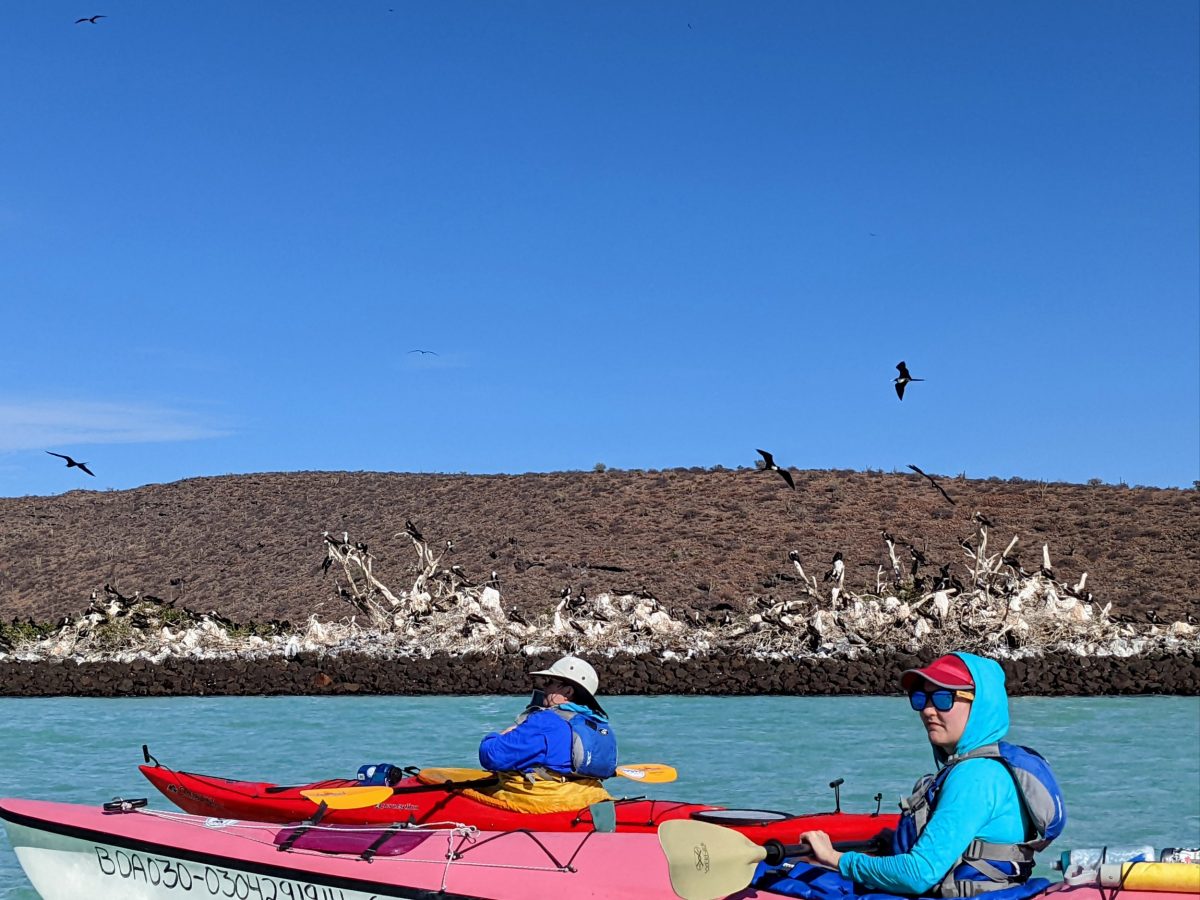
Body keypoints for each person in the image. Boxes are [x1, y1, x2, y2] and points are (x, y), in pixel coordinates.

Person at [761, 652, 1065, 899]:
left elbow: (919, 875)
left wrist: (835, 858)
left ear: (982, 705)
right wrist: (892, 842)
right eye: (922, 698)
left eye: (943, 699)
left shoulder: (975, 776)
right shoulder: (986, 767)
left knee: (780, 877)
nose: (929, 710)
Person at [475, 655, 618, 813]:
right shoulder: (597, 723)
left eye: (550, 683)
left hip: (548, 803)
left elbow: (490, 756)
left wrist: (501, 735)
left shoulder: (545, 722)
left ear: (568, 691)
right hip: (586, 796)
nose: (544, 687)